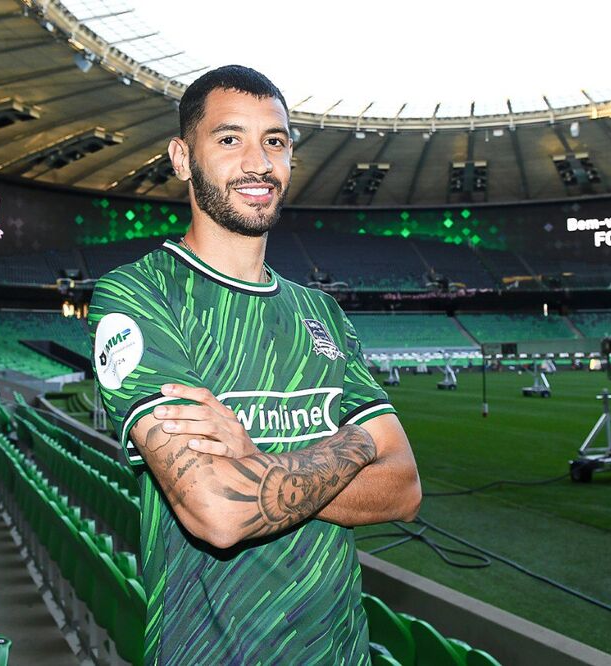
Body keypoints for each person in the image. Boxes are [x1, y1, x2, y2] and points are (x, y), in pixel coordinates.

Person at [88, 65, 421, 665]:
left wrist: (252, 459)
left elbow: (403, 487)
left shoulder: (322, 312)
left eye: (275, 141)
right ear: (182, 158)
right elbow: (216, 512)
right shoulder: (138, 295)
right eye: (229, 138)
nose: (258, 163)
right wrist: (355, 445)